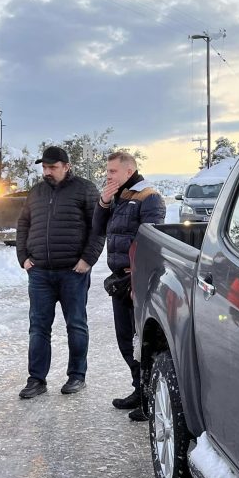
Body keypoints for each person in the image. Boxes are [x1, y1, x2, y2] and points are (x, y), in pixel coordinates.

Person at [16, 146, 104, 398]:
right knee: (38, 327)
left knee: (75, 325)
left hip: (72, 272)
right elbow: (24, 223)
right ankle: (36, 380)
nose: (47, 172)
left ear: (67, 166)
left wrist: (88, 259)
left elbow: (98, 227)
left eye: (52, 167)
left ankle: (77, 376)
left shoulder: (85, 189)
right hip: (40, 272)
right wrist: (23, 257)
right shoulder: (36, 192)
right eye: (44, 167)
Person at [92, 151, 165, 421]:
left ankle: (151, 397)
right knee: (125, 340)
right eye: (107, 171)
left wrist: (138, 278)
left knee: (141, 342)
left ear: (128, 170)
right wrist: (103, 202)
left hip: (137, 279)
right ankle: (140, 390)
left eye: (112, 172)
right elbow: (98, 230)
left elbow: (152, 242)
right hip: (120, 279)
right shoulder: (120, 196)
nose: (108, 176)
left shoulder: (148, 196)